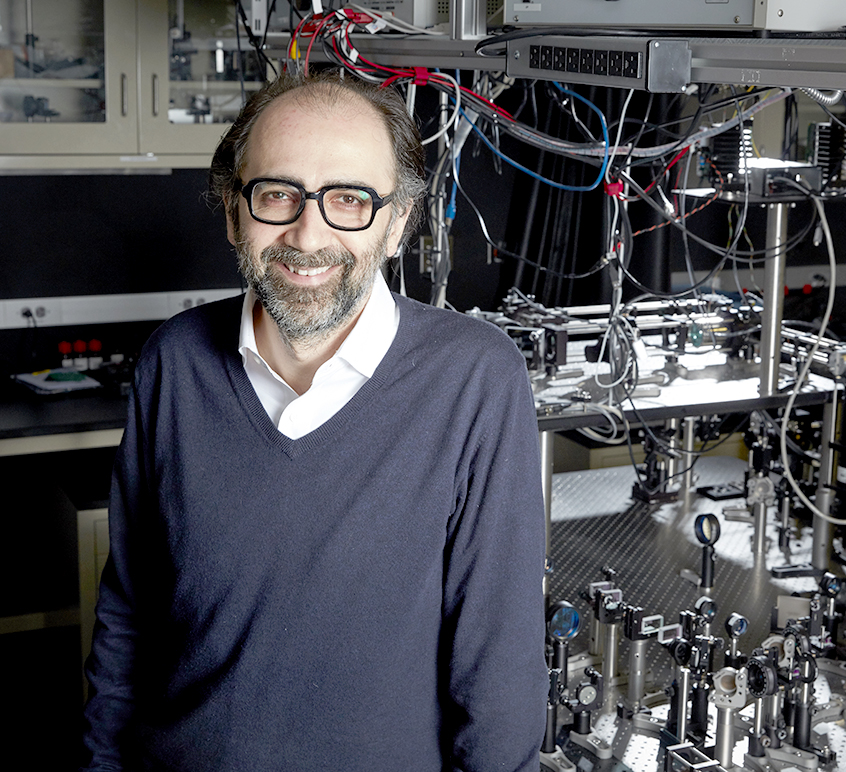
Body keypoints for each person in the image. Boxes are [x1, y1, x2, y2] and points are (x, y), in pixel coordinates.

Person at [81, 70, 547, 771]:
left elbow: (498, 669)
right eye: (277, 194)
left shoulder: (476, 380)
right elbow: (127, 618)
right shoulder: (174, 361)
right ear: (236, 213)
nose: (308, 233)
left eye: (350, 200)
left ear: (397, 224)